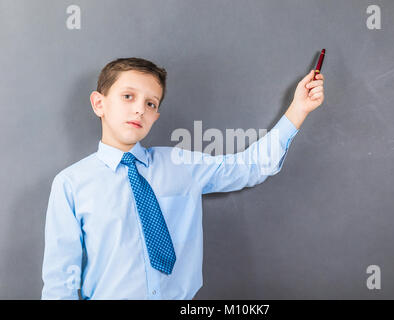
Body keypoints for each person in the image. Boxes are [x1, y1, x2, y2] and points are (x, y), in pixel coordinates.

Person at [41, 57, 325, 299]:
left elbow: (250, 166)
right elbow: (60, 281)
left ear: (155, 116)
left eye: (150, 103)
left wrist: (298, 110)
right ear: (99, 103)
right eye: (128, 96)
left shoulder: (180, 165)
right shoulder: (71, 184)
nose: (140, 108)